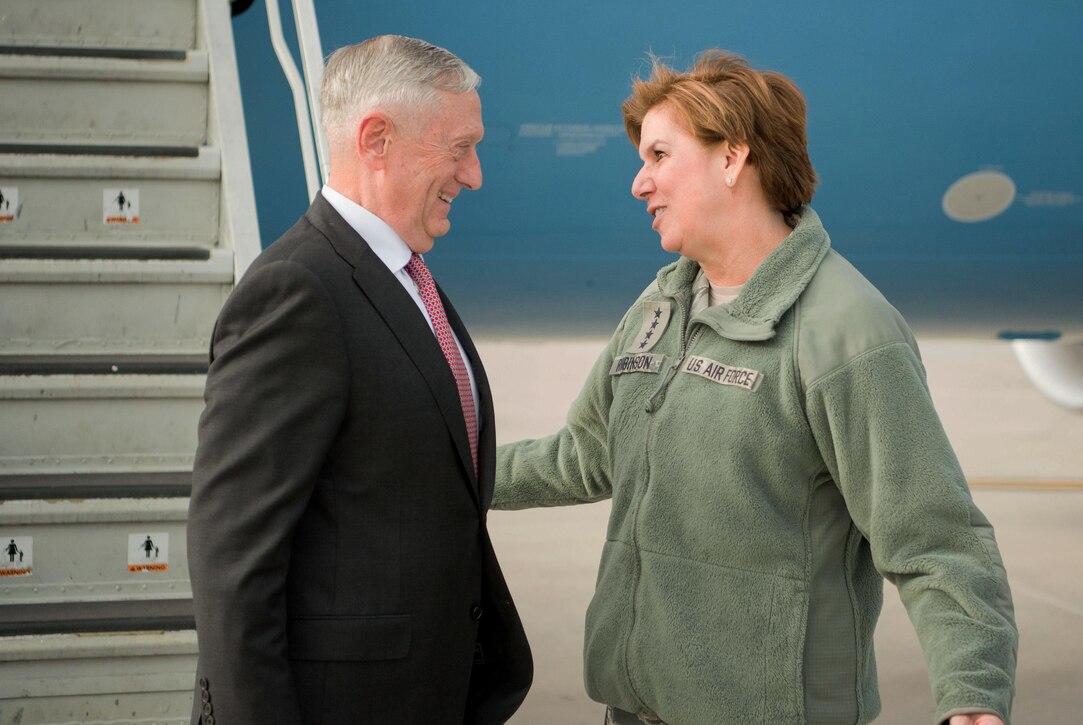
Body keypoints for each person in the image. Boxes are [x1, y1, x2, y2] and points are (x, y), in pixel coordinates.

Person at [493, 51, 1016, 725]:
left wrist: (971, 692)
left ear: (733, 159)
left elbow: (935, 537)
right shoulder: (660, 307)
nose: (638, 183)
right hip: (637, 710)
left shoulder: (847, 331)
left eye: (658, 155)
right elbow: (586, 453)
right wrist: (452, 472)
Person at [187, 35, 532, 725]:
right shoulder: (297, 291)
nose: (475, 175)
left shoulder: (404, 280)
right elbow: (233, 564)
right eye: (460, 147)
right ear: (376, 137)